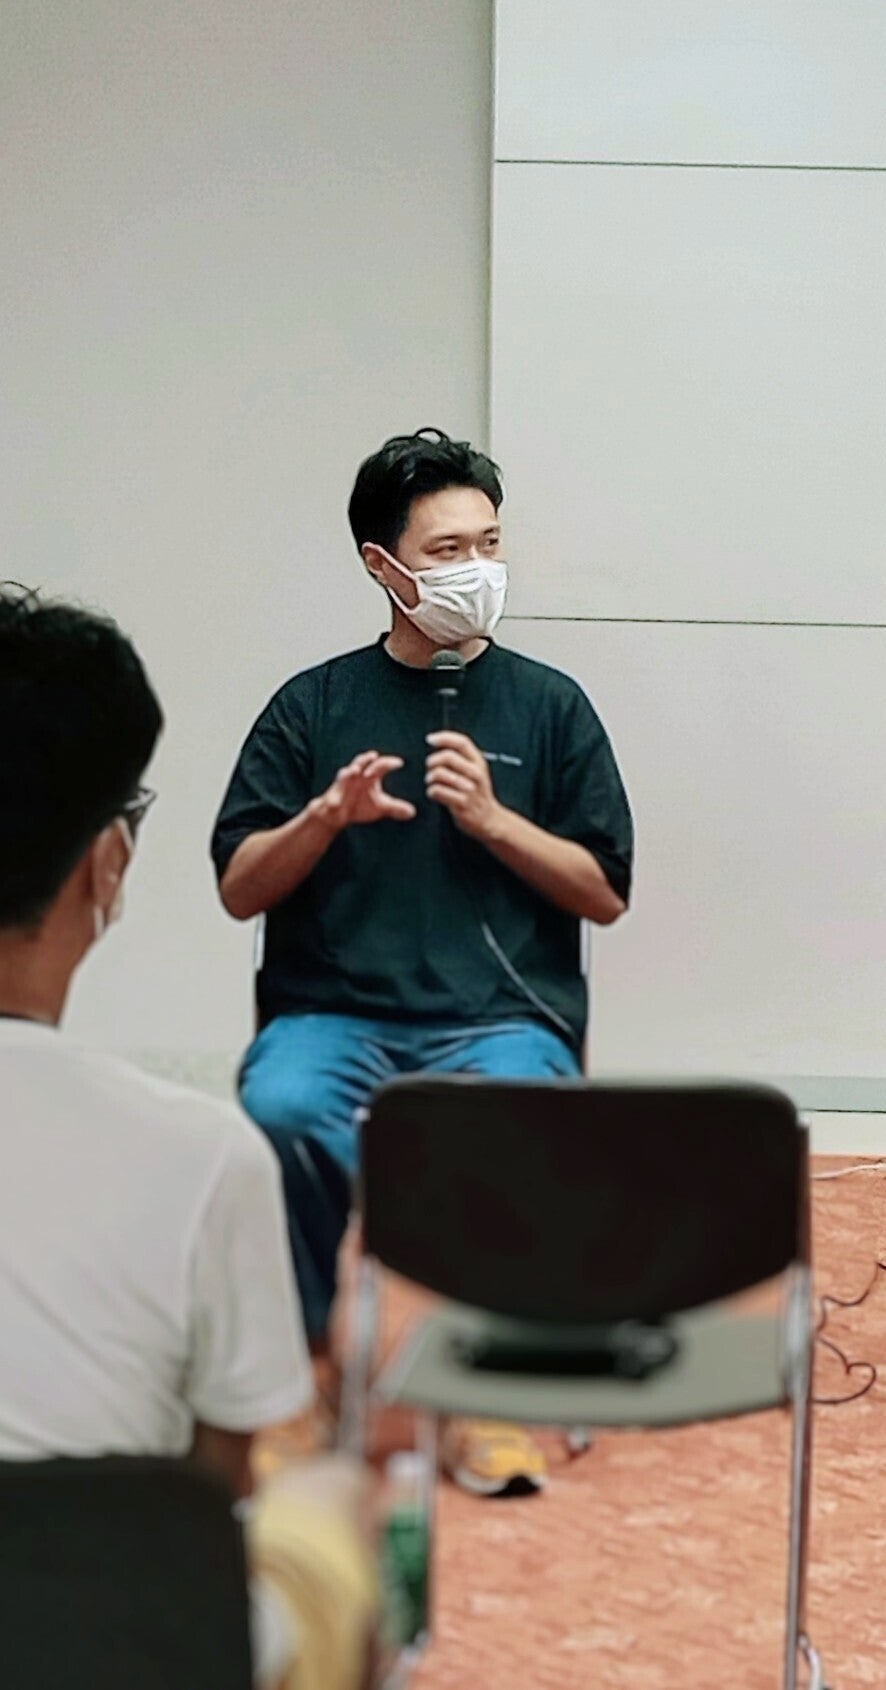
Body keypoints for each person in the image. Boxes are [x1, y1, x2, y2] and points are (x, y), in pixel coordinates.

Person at [214, 427, 635, 1497]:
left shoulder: (552, 706)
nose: (476, 570)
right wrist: (323, 817)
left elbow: (603, 891)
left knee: (508, 1123)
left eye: (488, 544)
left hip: (502, 1022)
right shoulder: (312, 706)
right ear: (381, 565)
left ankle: (481, 1393)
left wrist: (494, 821)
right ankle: (310, 1381)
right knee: (281, 1111)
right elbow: (240, 886)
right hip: (332, 1017)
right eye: (447, 552)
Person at [0, 585, 374, 1690]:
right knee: (335, 1497)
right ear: (107, 865)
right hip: (96, 1641)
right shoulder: (202, 1158)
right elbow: (212, 1498)